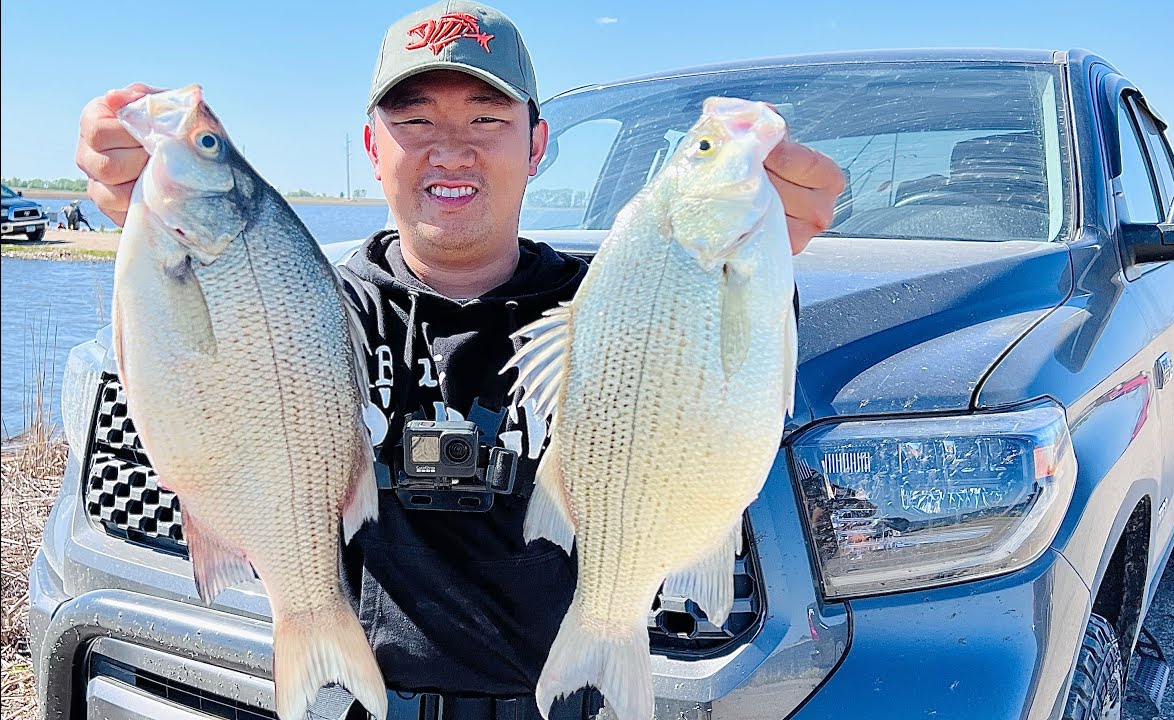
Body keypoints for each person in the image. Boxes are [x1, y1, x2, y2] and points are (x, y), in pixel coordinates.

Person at [75, 3, 845, 718]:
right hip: (361, 701)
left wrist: (768, 257)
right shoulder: (308, 306)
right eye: (412, 119)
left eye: (487, 117)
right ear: (373, 146)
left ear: (537, 144)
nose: (452, 148)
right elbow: (194, 348)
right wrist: (145, 206)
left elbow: (724, 368)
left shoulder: (613, 304)